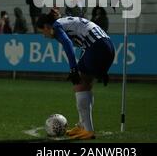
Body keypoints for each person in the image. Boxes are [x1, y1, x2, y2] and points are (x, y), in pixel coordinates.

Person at [36, 9, 115, 140]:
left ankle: (87, 130)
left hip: (97, 46)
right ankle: (83, 126)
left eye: (42, 31)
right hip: (106, 45)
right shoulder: (64, 22)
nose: (43, 35)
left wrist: (73, 69)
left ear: (46, 26)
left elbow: (67, 43)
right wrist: (101, 69)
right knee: (85, 84)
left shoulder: (56, 26)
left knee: (79, 84)